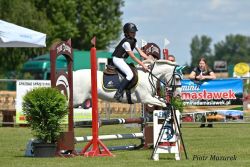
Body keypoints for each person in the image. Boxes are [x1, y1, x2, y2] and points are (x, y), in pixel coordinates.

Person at [112, 22, 149, 101]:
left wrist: (150, 59)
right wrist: (143, 65)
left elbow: (141, 53)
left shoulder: (133, 41)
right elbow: (132, 56)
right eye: (132, 32)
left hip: (122, 60)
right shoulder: (126, 43)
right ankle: (118, 93)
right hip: (117, 59)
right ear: (127, 33)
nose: (134, 34)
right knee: (130, 74)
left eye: (135, 32)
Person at [189, 57, 216, 127]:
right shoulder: (196, 69)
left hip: (208, 92)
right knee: (201, 107)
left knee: (209, 107)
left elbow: (214, 77)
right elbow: (190, 76)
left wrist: (205, 77)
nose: (201, 65)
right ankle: (202, 123)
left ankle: (210, 123)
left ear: (205, 64)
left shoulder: (208, 69)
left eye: (202, 63)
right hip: (199, 92)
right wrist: (196, 77)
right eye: (200, 63)